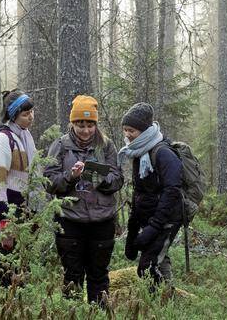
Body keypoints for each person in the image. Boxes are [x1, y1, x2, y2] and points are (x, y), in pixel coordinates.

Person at [44, 95, 124, 304]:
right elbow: (48, 181)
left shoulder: (106, 146)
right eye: (81, 125)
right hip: (69, 221)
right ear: (72, 123)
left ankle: (99, 313)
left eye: (90, 125)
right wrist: (70, 176)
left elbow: (117, 180)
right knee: (72, 276)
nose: (86, 130)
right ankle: (72, 313)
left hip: (102, 221)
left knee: (99, 276)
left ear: (96, 124)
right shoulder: (60, 146)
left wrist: (98, 177)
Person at [119, 102, 185, 286]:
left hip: (166, 220)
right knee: (158, 261)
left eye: (131, 130)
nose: (127, 134)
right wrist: (133, 226)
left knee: (147, 267)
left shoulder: (163, 153)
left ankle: (160, 300)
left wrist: (155, 226)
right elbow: (140, 191)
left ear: (144, 131)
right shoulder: (139, 151)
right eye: (125, 130)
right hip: (150, 218)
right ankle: (168, 295)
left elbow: (172, 191)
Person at [0, 89, 38, 286]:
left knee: (23, 268)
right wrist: (4, 223)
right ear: (13, 115)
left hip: (23, 213)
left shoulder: (25, 137)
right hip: (6, 214)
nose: (30, 117)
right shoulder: (3, 140)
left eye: (32, 112)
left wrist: (35, 212)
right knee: (7, 268)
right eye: (25, 114)